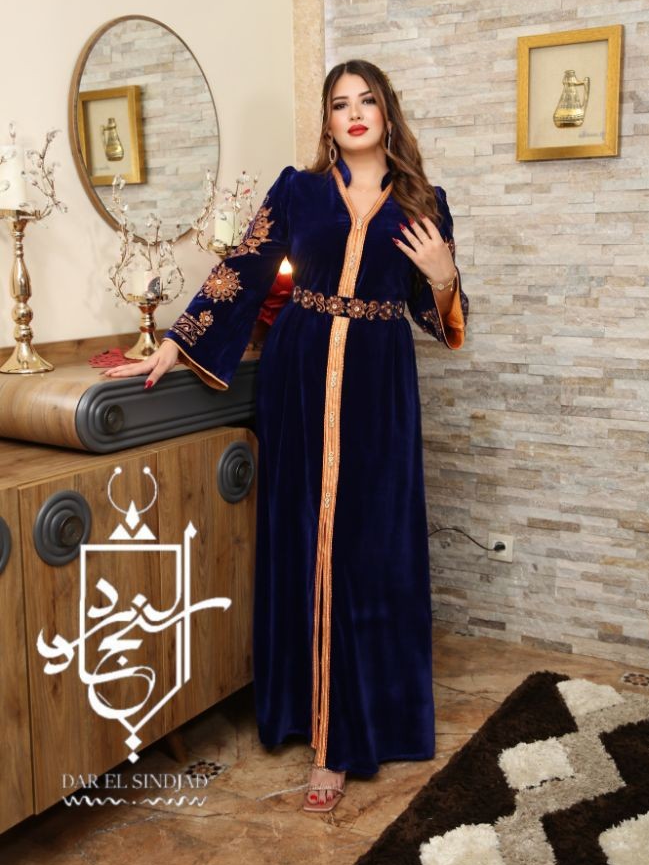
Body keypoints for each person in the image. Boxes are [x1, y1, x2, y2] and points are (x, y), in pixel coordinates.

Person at [104, 59, 468, 813]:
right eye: (340, 103)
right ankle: (319, 730)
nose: (355, 112)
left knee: (367, 543)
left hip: (378, 383)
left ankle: (362, 721)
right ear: (327, 120)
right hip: (299, 376)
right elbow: (242, 268)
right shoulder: (298, 191)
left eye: (367, 100)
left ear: (388, 113)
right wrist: (174, 343)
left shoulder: (423, 201)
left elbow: (440, 323)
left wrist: (442, 274)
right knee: (306, 537)